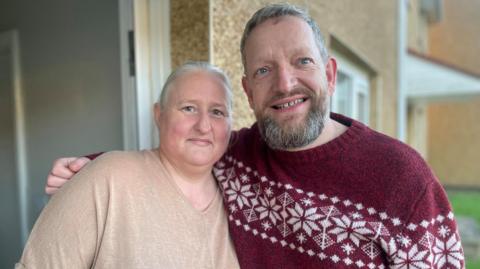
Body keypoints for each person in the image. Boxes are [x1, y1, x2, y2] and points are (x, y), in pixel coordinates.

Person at [44, 3, 465, 269]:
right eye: (264, 70)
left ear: (330, 74)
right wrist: (92, 164)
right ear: (248, 91)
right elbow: (181, 152)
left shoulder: (402, 179)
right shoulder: (239, 155)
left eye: (302, 61)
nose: (285, 84)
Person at [16, 62, 240, 268]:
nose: (203, 126)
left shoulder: (244, 203)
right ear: (158, 115)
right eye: (189, 108)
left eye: (217, 112)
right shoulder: (107, 179)